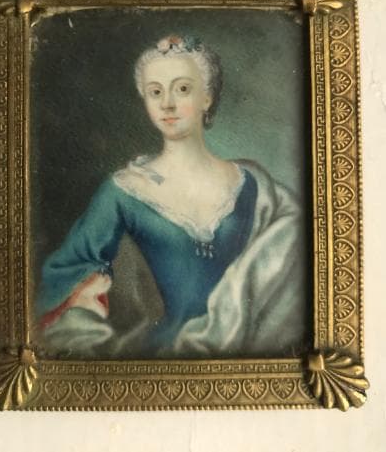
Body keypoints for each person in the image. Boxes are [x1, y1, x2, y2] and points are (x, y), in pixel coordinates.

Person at [36, 35, 306, 359]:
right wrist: (88, 306)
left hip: (247, 358)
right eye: (155, 92)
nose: (167, 104)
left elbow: (297, 257)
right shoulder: (123, 191)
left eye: (182, 89)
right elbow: (66, 274)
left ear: (207, 97)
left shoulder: (256, 187)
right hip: (158, 358)